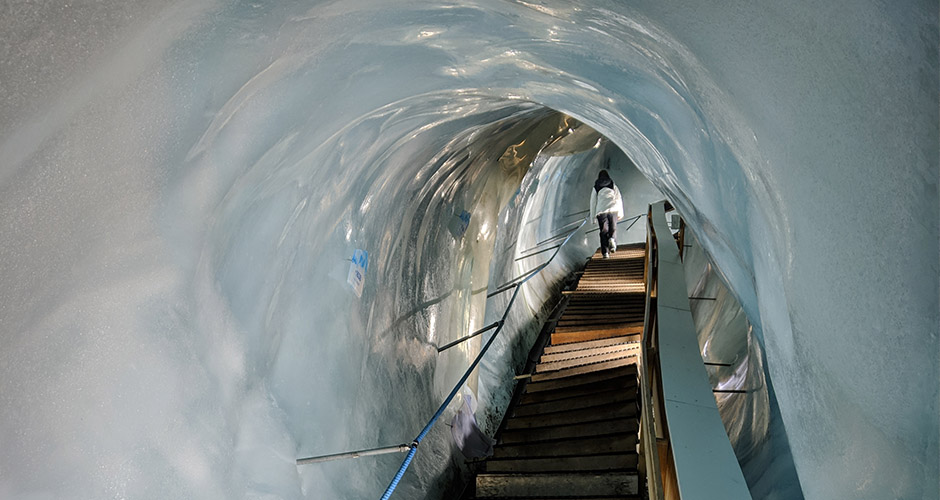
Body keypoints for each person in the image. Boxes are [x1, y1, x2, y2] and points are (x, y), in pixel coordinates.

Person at [589, 169, 623, 258]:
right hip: (613, 208)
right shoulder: (612, 184)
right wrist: (620, 212)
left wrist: (593, 217)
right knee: (613, 228)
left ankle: (605, 253)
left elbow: (593, 202)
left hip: (601, 210)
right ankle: (612, 239)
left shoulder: (596, 186)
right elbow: (618, 198)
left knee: (603, 231)